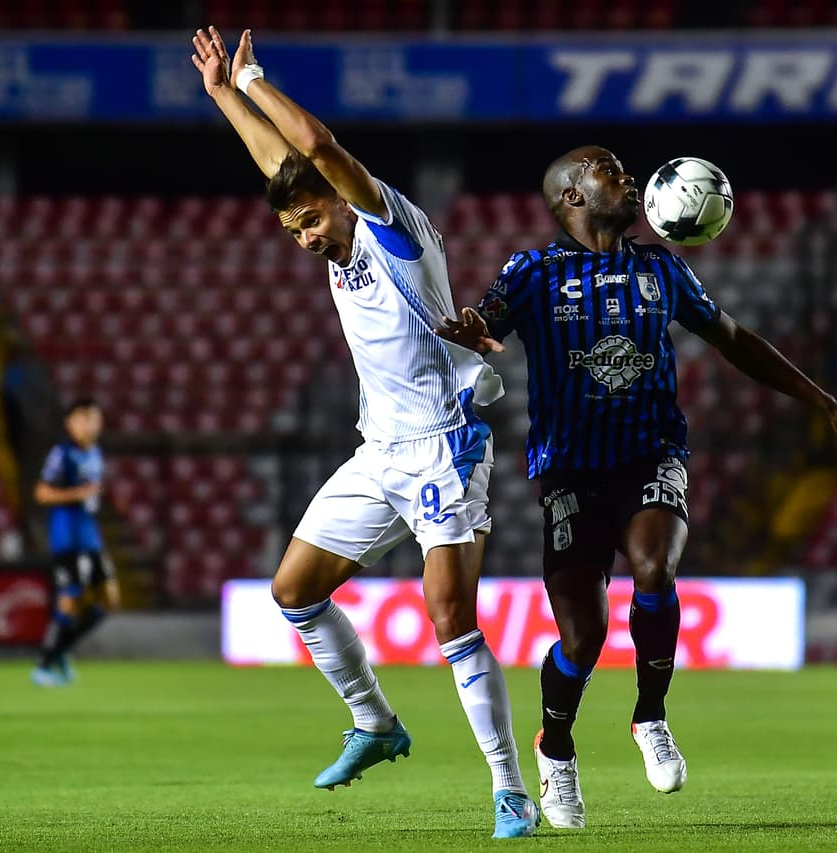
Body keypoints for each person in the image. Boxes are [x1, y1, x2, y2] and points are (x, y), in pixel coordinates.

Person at [438, 146, 837, 829]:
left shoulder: (661, 268)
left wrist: (825, 401)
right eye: (608, 170)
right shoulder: (533, 270)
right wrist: (475, 328)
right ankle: (556, 747)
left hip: (653, 455)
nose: (626, 178)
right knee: (582, 637)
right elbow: (486, 320)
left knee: (655, 569)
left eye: (625, 169)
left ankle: (650, 714)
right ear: (571, 196)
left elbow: (735, 339)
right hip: (569, 469)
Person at [189, 26, 539, 838]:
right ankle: (376, 722)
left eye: (310, 221)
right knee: (293, 592)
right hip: (378, 452)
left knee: (450, 618)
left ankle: (510, 788)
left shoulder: (394, 230)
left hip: (444, 448)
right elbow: (287, 170)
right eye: (292, 232)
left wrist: (253, 79)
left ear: (340, 199)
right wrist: (220, 98)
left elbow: (315, 146)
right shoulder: (327, 233)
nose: (305, 238)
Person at [31, 398, 119, 686]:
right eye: (83, 418)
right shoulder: (62, 454)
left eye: (94, 418)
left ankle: (61, 650)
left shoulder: (95, 453)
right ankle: (45, 663)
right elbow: (42, 493)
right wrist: (76, 494)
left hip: (90, 536)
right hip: (66, 536)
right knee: (69, 600)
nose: (89, 424)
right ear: (70, 423)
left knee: (109, 598)